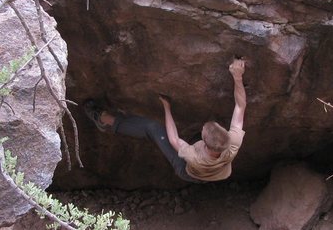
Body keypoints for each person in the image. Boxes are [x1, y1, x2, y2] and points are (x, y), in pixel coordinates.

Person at [84, 58, 247, 183]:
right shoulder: (233, 143)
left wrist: (166, 108)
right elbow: (240, 107)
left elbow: (174, 139)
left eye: (203, 130)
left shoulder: (192, 157)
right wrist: (237, 76)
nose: (204, 126)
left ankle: (104, 120)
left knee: (153, 127)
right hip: (217, 173)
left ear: (204, 141)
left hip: (187, 171)